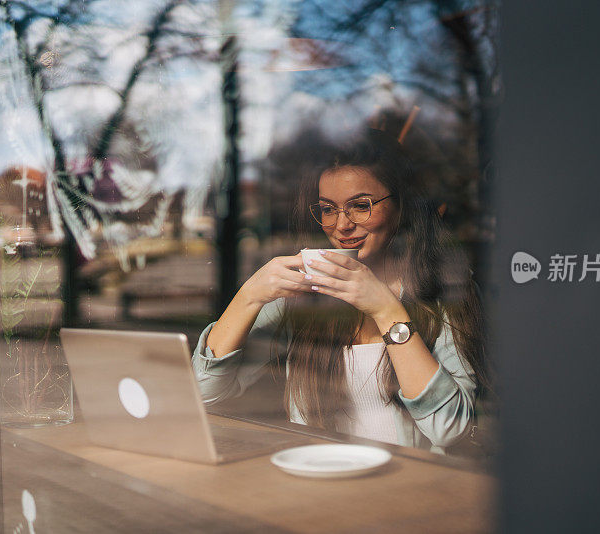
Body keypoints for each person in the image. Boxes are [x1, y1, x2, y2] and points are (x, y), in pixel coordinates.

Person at [192, 129, 490, 453]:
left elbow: (452, 430)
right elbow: (204, 394)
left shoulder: (439, 293)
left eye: (360, 206)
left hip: (411, 491)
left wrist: (386, 311)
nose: (341, 225)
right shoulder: (304, 295)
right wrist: (249, 295)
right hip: (321, 484)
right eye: (328, 209)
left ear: (400, 205)